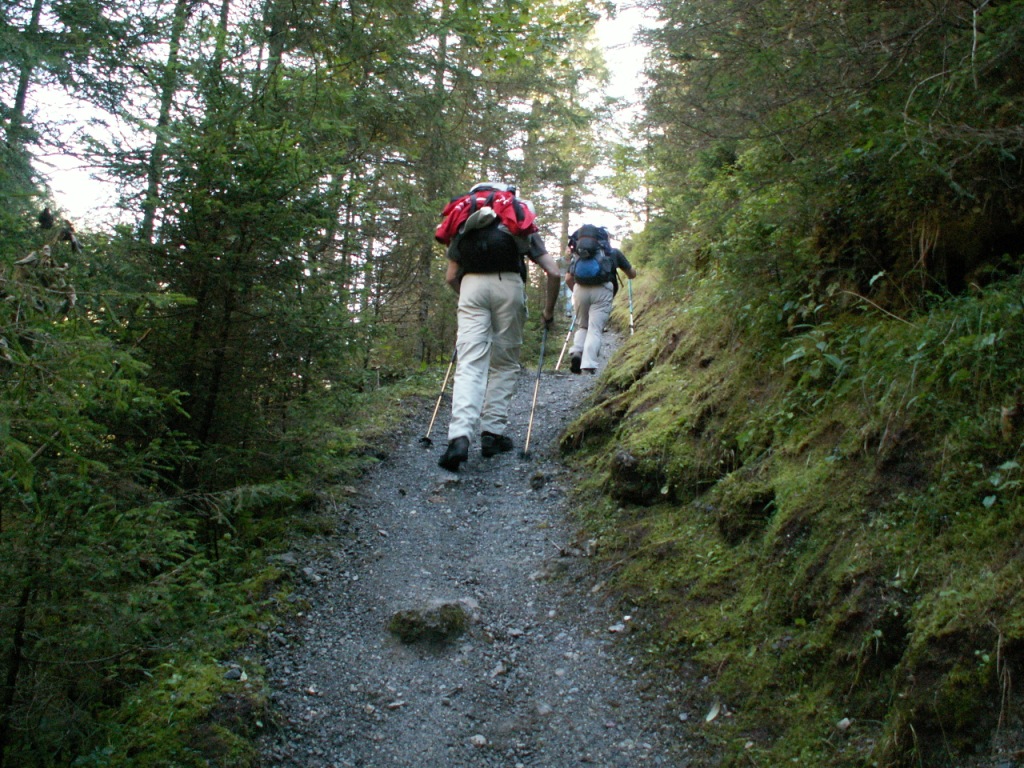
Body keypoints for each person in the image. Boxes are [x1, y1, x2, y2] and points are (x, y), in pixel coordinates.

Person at [438, 191, 561, 472]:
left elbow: (451, 276)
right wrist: (548, 311)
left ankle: (459, 438)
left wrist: (468, 299)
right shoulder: (515, 217)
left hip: (471, 287)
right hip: (509, 285)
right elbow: (553, 272)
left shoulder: (465, 221)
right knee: (504, 363)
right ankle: (492, 434)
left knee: (469, 364)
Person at [565, 225, 636, 374]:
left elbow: (568, 278)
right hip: (602, 291)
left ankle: (577, 351)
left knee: (583, 326)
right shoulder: (613, 253)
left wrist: (576, 292)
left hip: (580, 289)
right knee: (595, 328)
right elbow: (631, 274)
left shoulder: (578, 254)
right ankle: (588, 363)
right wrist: (631, 271)